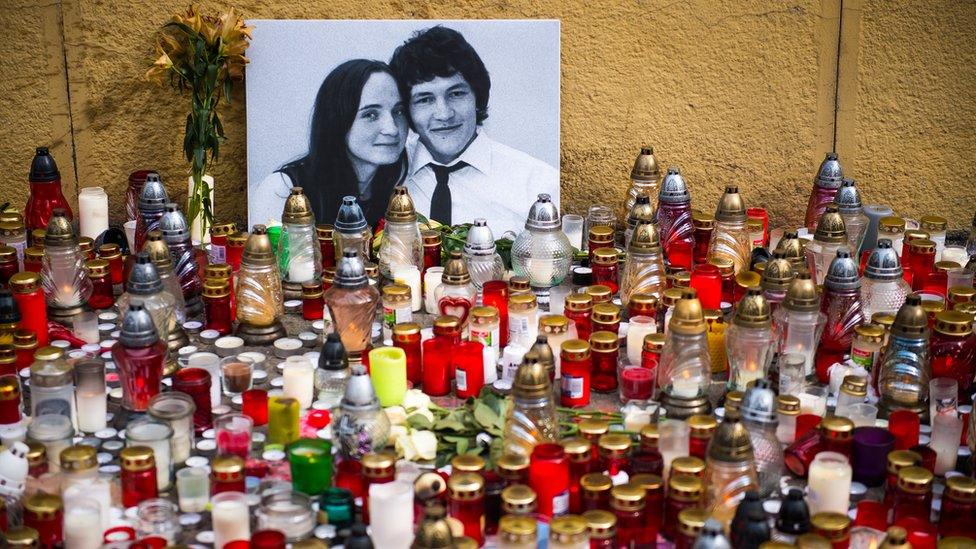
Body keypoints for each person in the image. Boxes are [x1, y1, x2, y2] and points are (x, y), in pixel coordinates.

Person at [389, 26, 559, 236]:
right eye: (424, 99)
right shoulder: (384, 174)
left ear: (477, 97)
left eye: (456, 93)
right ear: (407, 111)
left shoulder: (540, 185)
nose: (444, 114)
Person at [252, 59, 408, 227]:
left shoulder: (405, 185)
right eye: (370, 114)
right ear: (337, 119)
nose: (392, 129)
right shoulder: (282, 190)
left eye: (398, 111)